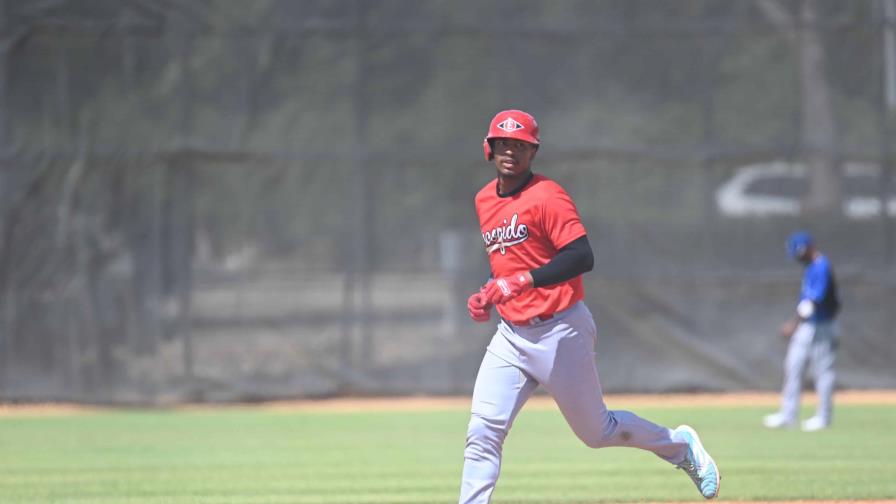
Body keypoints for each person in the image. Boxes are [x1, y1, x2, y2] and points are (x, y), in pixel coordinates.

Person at [459, 109, 720, 503]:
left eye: (519, 145)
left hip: (560, 328)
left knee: (597, 433)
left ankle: (679, 445)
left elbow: (581, 256)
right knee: (482, 431)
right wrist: (489, 295)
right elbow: (509, 265)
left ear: (533, 152)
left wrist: (522, 281)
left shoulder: (548, 195)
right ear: (488, 149)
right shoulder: (483, 200)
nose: (509, 151)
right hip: (511, 334)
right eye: (502, 144)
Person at [763, 231, 841, 432]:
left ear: (806, 248)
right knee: (793, 367)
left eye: (798, 253)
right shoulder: (811, 268)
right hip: (807, 327)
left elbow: (813, 302)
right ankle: (788, 415)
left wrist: (793, 324)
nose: (797, 258)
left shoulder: (821, 266)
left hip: (821, 326)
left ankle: (824, 417)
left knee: (822, 372)